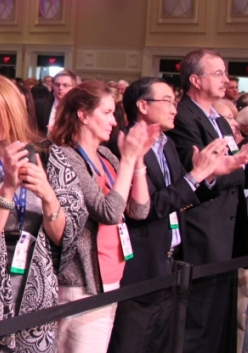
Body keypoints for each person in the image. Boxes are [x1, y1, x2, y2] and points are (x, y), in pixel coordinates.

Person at [0, 75, 86, 353]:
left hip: (38, 297)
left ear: (11, 106)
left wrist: (49, 196)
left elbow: (64, 238)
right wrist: (8, 188)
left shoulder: (50, 156)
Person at [108, 78, 241, 353]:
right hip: (141, 266)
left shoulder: (165, 143)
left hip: (170, 262)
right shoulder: (124, 143)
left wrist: (211, 177)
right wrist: (196, 176)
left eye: (174, 101)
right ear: (142, 106)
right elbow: (146, 208)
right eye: (167, 101)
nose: (174, 108)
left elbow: (182, 195)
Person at [165, 50, 248, 353]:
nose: (225, 79)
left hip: (228, 226)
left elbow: (233, 167)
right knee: (199, 317)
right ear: (195, 79)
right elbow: (201, 174)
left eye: (224, 73)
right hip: (202, 227)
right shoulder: (184, 117)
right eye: (216, 73)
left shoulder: (217, 117)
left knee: (221, 314)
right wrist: (242, 162)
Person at [51, 80, 155, 353]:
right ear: (83, 115)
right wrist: (129, 161)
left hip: (111, 276)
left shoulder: (106, 155)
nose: (114, 121)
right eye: (107, 113)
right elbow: (107, 212)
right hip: (81, 281)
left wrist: (139, 160)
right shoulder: (66, 156)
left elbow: (139, 209)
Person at [35, 69, 77, 135]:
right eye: (57, 85)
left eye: (65, 85)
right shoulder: (39, 105)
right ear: (53, 86)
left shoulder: (79, 108)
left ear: (74, 87)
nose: (60, 88)